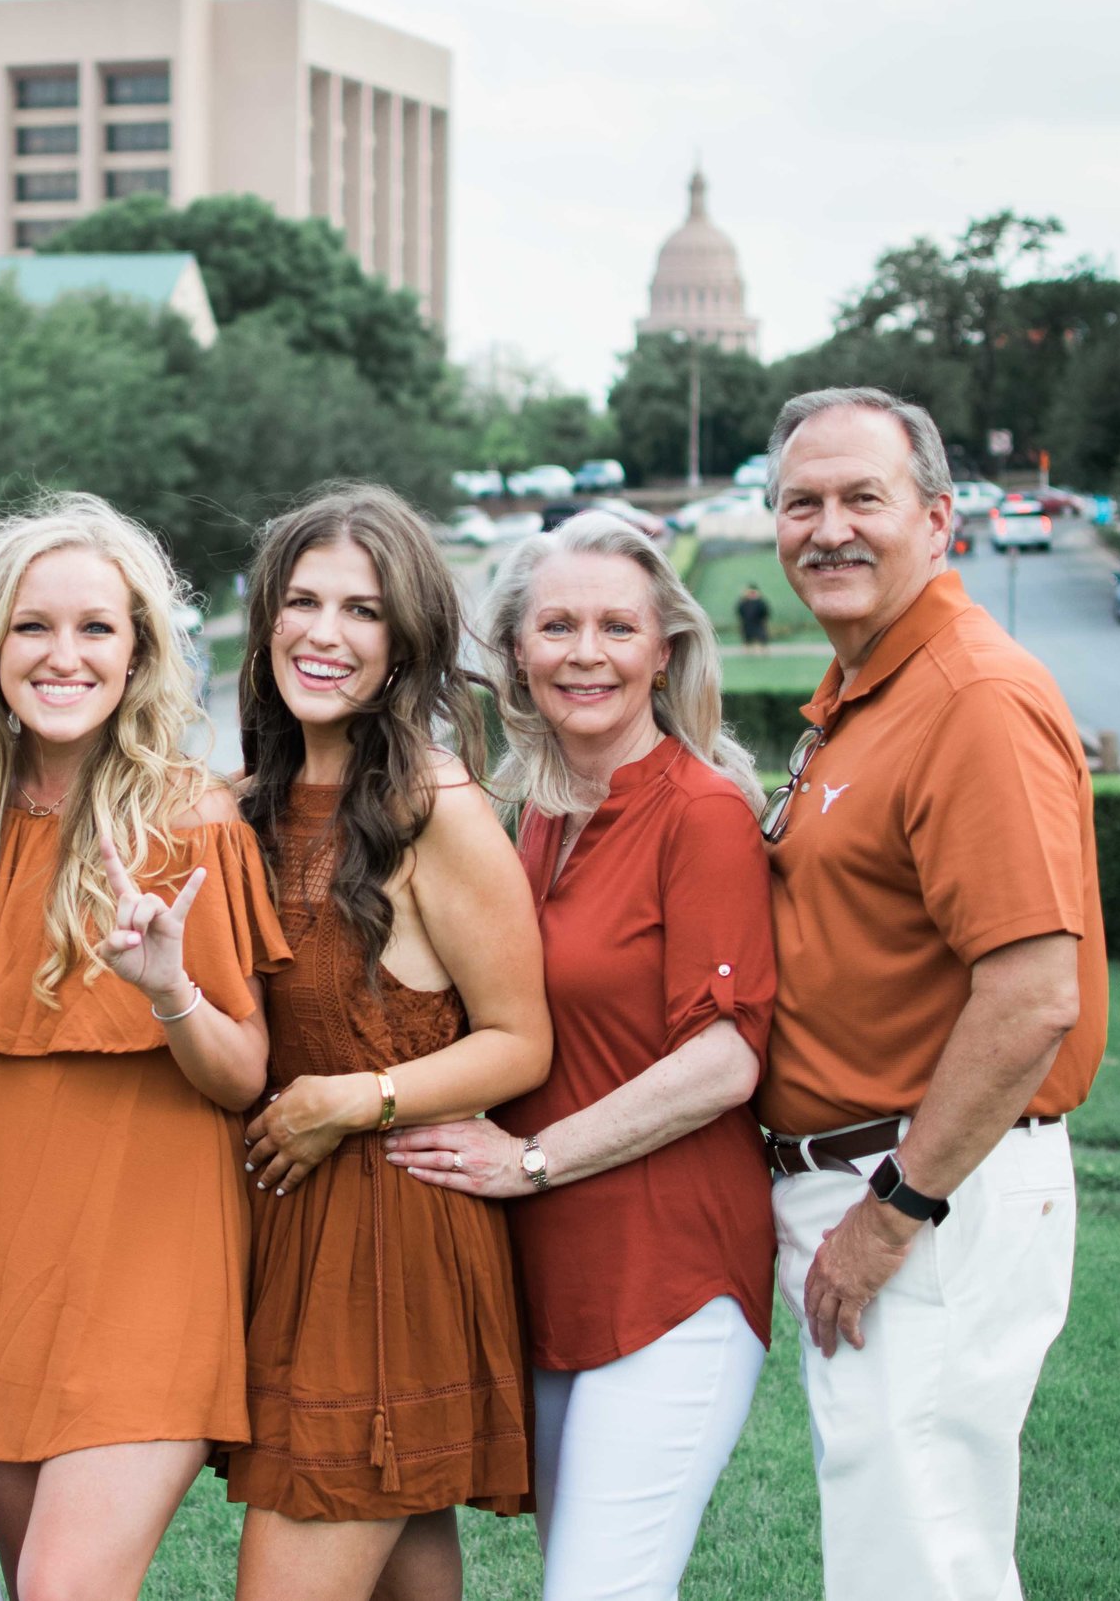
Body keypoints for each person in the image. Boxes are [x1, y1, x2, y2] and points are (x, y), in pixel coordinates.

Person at [0, 492, 291, 1601]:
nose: (61, 655)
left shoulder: (186, 820)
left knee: (64, 1587)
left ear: (137, 655)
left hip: (146, 1274)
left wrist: (169, 990)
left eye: (95, 628)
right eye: (32, 626)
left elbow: (241, 1074)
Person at [390, 511, 776, 1600]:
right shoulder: (536, 816)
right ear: (515, 648)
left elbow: (724, 1059)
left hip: (671, 1278)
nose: (586, 652)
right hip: (556, 1279)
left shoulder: (699, 813)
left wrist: (531, 1160)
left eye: (617, 626)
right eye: (556, 624)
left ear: (664, 649)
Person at [759, 387, 1104, 1601]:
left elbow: (1031, 997)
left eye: (864, 497)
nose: (829, 527)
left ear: (939, 521)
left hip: (923, 1189)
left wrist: (893, 1213)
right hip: (883, 1177)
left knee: (918, 1561)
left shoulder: (971, 699)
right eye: (802, 501)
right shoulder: (869, 688)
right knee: (905, 1548)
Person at [226, 484, 548, 1601]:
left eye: (361, 610)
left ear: (405, 639)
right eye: (302, 600)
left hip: (387, 1238)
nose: (324, 632)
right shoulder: (249, 806)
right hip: (292, 1233)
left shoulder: (436, 807)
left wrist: (346, 1098)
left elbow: (519, 1040)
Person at [735, 582, 772, 653]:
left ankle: (762, 653)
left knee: (761, 642)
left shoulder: (760, 602)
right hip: (747, 624)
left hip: (759, 624)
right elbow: (740, 612)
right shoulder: (744, 602)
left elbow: (765, 613)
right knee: (747, 642)